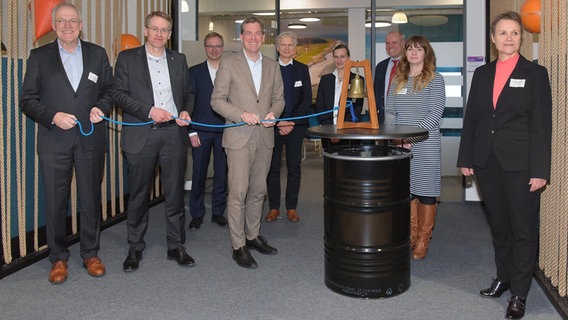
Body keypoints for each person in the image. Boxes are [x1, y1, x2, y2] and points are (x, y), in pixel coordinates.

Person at [457, 11, 552, 320]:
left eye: (514, 32)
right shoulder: (482, 73)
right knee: (499, 225)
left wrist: (540, 169)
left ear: (521, 37)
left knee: (522, 229)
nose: (508, 38)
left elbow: (541, 126)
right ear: (493, 38)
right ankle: (504, 277)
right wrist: (466, 157)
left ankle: (520, 293)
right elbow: (472, 117)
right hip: (487, 161)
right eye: (502, 32)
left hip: (522, 164)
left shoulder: (536, 74)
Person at [20, 2, 113, 284]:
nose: (68, 26)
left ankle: (90, 253)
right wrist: (53, 116)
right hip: (54, 140)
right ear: (54, 25)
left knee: (90, 198)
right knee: (56, 201)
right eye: (61, 21)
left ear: (81, 25)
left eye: (73, 21)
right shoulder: (39, 57)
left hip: (90, 139)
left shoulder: (97, 54)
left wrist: (101, 108)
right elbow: (27, 100)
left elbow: (109, 90)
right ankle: (58, 258)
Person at [113, 11, 195, 272]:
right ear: (146, 30)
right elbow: (118, 95)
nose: (160, 34)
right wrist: (149, 110)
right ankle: (135, 247)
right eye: (155, 29)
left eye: (165, 30)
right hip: (142, 133)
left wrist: (184, 110)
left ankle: (175, 245)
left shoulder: (178, 59)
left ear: (170, 34)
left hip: (173, 134)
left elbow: (189, 93)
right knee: (138, 195)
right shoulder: (127, 58)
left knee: (174, 193)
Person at [211, 16, 285, 269]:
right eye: (248, 33)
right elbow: (217, 100)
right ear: (241, 37)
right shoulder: (229, 63)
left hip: (264, 137)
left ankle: (253, 236)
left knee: (257, 191)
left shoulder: (273, 66)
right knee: (238, 192)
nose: (253, 38)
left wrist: (274, 114)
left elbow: (279, 99)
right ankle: (238, 244)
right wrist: (241, 115)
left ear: (263, 37)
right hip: (238, 136)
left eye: (257, 33)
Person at [384, 35, 445, 261]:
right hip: (401, 145)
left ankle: (423, 239)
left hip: (426, 145)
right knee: (407, 191)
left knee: (426, 192)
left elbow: (435, 114)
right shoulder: (397, 80)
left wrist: (411, 137)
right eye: (410, 49)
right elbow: (389, 110)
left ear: (426, 53)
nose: (414, 53)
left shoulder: (435, 80)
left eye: (419, 49)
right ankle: (409, 235)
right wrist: (397, 137)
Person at [265, 31, 312, 223]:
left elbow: (306, 99)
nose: (286, 48)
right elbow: (265, 99)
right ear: (277, 48)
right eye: (283, 45)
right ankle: (274, 207)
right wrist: (278, 121)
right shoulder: (269, 69)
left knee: (294, 167)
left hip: (296, 126)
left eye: (290, 45)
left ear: (295, 48)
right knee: (272, 168)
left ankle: (291, 207)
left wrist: (291, 121)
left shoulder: (302, 69)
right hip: (273, 126)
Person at [187, 32, 228, 230]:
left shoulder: (231, 71)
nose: (214, 50)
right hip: (200, 131)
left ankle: (218, 212)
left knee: (222, 174)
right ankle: (196, 213)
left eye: (218, 46)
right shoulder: (193, 72)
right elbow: (187, 102)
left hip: (225, 130)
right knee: (199, 173)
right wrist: (191, 131)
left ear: (223, 48)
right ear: (205, 48)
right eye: (210, 46)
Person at [315, 44, 363, 148]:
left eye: (342, 57)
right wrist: (330, 129)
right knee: (329, 163)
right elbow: (320, 106)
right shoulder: (325, 80)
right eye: (336, 57)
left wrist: (342, 129)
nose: (339, 60)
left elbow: (357, 107)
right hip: (328, 132)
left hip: (349, 132)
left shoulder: (357, 80)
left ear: (348, 58)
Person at [374, 31, 405, 125]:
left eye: (394, 43)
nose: (390, 46)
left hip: (405, 120)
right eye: (387, 43)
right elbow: (376, 93)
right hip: (383, 121)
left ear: (403, 44)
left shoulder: (411, 65)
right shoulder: (380, 66)